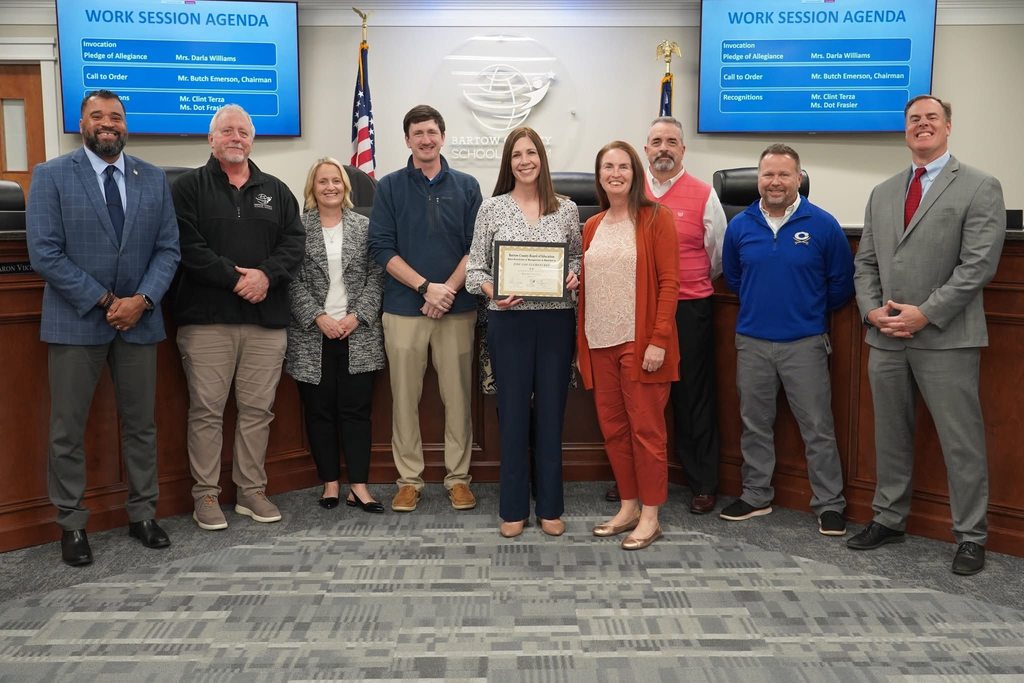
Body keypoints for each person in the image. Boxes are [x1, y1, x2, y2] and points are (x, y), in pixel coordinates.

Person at [848, 95, 1006, 575]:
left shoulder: (980, 186)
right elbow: (867, 262)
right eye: (914, 119)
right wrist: (873, 311)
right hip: (886, 338)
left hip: (947, 337)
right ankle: (889, 518)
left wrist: (926, 313)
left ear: (948, 127)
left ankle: (970, 536)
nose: (922, 125)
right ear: (905, 130)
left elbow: (978, 266)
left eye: (931, 118)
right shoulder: (884, 191)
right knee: (890, 435)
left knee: (962, 441)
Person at [26, 89, 180, 566]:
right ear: (82, 123)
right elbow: (44, 252)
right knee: (67, 429)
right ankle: (72, 524)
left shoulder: (152, 178)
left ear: (125, 123)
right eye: (98, 115)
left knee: (141, 425)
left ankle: (142, 514)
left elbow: (168, 250)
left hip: (140, 321)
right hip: (76, 321)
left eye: (115, 116)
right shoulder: (51, 175)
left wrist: (142, 300)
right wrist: (106, 300)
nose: (107, 123)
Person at [172, 104, 304, 530]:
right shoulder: (187, 187)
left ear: (252, 139)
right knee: (207, 411)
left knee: (257, 410)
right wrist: (235, 279)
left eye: (242, 131)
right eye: (226, 131)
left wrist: (266, 275)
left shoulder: (277, 190)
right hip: (207, 320)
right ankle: (206, 494)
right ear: (211, 139)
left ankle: (250, 490)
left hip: (265, 322)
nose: (235, 137)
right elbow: (188, 247)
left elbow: (293, 243)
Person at [719, 144, 853, 536]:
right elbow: (734, 277)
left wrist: (802, 310)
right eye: (767, 175)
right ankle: (756, 494)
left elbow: (840, 285)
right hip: (753, 342)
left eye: (783, 175)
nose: (774, 182)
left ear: (799, 178)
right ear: (758, 179)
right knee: (754, 424)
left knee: (817, 427)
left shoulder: (823, 224)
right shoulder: (741, 225)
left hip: (805, 344)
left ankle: (830, 504)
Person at [465, 127, 581, 538]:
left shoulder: (565, 209)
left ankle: (550, 507)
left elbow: (579, 260)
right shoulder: (491, 209)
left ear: (542, 159)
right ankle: (513, 508)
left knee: (551, 414)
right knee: (511, 415)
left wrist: (572, 277)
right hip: (508, 322)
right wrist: (492, 289)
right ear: (508, 162)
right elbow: (474, 269)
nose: (525, 161)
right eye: (517, 155)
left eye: (531, 153)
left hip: (555, 321)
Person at [368, 105, 482, 513]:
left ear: (443, 135)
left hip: (457, 308)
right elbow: (381, 247)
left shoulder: (468, 186)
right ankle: (409, 480)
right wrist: (424, 287)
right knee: (404, 398)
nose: (426, 139)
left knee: (458, 397)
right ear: (407, 139)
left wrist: (447, 290)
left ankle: (458, 479)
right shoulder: (390, 187)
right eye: (418, 133)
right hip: (403, 309)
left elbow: (477, 248)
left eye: (432, 131)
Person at [576, 141, 679, 550]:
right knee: (614, 431)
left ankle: (651, 515)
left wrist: (658, 341)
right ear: (599, 175)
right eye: (607, 167)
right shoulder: (592, 225)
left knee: (646, 431)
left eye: (623, 166)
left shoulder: (656, 218)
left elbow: (670, 284)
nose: (615, 173)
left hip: (640, 343)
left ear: (635, 173)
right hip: (598, 340)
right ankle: (629, 506)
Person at [285, 158, 385, 513]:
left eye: (336, 181)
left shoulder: (365, 226)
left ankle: (358, 485)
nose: (330, 187)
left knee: (357, 412)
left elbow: (378, 276)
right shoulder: (296, 228)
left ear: (346, 187)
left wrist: (357, 316)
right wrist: (317, 317)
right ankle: (330, 482)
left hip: (359, 333)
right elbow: (289, 280)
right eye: (322, 181)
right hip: (312, 335)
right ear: (312, 188)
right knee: (320, 412)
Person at [643, 115, 726, 515]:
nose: (663, 148)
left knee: (693, 396)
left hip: (689, 309)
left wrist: (687, 284)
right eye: (656, 141)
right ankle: (642, 478)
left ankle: (702, 482)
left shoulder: (704, 194)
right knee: (643, 397)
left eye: (671, 141)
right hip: (641, 311)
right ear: (645, 150)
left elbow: (716, 258)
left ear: (682, 149)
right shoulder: (631, 190)